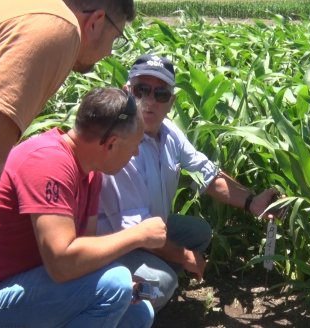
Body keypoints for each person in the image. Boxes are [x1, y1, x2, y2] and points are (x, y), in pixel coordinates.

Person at [0, 0, 135, 321]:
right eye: (116, 37)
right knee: (115, 285)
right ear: (96, 21)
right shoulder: (55, 28)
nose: (111, 52)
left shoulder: (15, 9)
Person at [0, 88, 167, 327]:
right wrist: (139, 235)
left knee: (138, 312)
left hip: (30, 288)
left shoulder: (91, 172)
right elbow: (62, 265)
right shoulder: (48, 161)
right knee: (115, 284)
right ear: (112, 143)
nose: (136, 153)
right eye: (135, 144)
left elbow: (84, 251)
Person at [97, 55, 285, 311]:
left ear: (171, 102)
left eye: (160, 94)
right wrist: (185, 256)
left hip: (150, 230)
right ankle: (123, 305)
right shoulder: (120, 147)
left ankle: (152, 278)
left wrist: (252, 202)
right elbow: (138, 232)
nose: (150, 101)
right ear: (126, 91)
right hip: (114, 245)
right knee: (161, 284)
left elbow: (207, 174)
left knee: (198, 232)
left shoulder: (169, 132)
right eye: (142, 90)